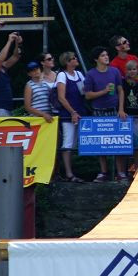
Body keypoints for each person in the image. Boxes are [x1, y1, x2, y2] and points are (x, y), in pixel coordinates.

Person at [83, 46, 128, 183]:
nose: (106, 57)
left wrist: (121, 109)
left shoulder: (114, 72)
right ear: (96, 59)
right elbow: (88, 95)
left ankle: (120, 172)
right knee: (100, 143)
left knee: (118, 142)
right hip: (98, 111)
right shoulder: (91, 74)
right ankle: (104, 172)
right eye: (103, 55)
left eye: (107, 54)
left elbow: (120, 91)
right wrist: (104, 91)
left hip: (113, 110)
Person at [55, 52, 87, 183]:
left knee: (74, 143)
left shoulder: (79, 74)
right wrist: (72, 112)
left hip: (80, 111)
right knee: (68, 142)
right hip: (68, 114)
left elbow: (84, 91)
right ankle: (68, 173)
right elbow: (61, 97)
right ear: (67, 62)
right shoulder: (62, 75)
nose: (76, 59)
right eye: (73, 58)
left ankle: (72, 171)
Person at [0, 32, 22, 117]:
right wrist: (9, 41)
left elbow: (16, 56)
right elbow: (1, 59)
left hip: (7, 109)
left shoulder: (3, 68)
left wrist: (17, 43)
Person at [122, 59, 138, 171]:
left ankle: (137, 168)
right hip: (126, 116)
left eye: (134, 69)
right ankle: (127, 169)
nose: (132, 71)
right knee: (126, 143)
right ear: (126, 71)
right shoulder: (123, 82)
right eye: (130, 69)